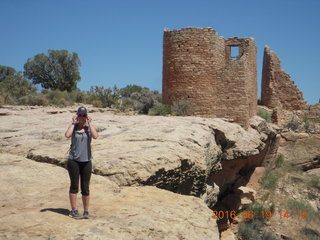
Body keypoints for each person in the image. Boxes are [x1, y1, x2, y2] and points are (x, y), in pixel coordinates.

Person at [65, 106, 99, 219]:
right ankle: (73, 210)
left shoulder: (89, 128)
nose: (82, 117)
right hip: (73, 160)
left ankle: (86, 211)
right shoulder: (74, 128)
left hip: (86, 161)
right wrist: (73, 123)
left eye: (84, 115)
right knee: (74, 185)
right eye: (80, 115)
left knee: (85, 187)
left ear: (86, 116)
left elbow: (95, 136)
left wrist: (89, 123)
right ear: (77, 116)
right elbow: (67, 135)